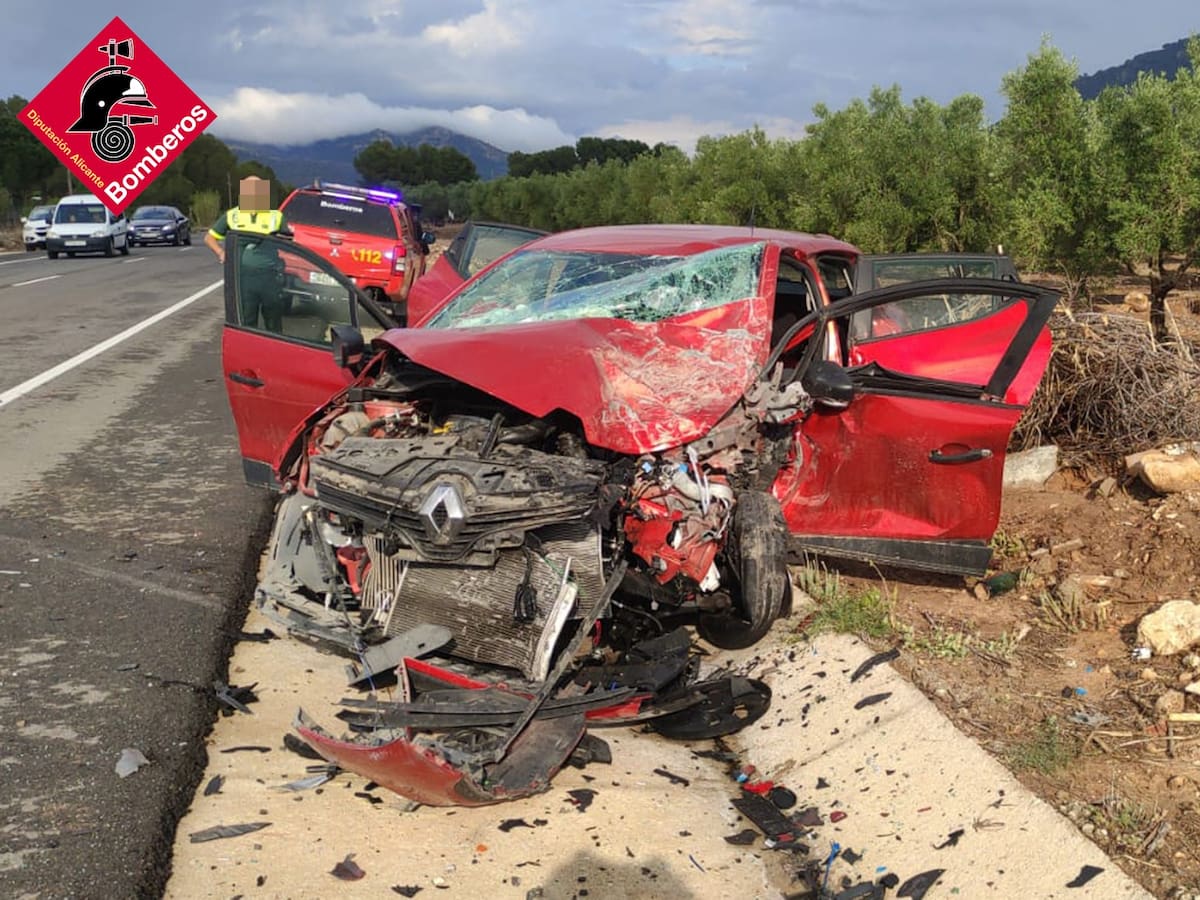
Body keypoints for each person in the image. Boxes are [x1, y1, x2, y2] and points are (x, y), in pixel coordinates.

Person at [205, 176, 291, 332]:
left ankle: (273, 352)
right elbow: (210, 237)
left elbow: (288, 242)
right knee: (246, 322)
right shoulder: (232, 215)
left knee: (274, 323)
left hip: (269, 277)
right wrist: (221, 253)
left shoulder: (275, 216)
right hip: (242, 278)